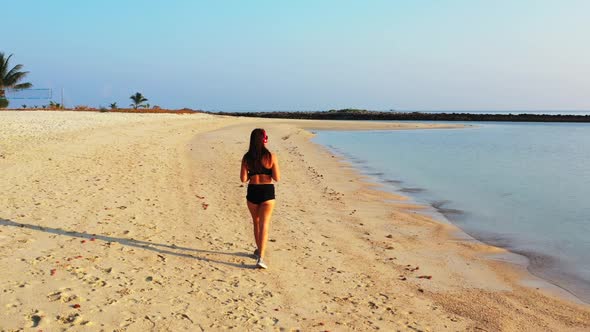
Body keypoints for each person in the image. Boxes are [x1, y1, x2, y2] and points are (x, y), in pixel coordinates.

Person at [240, 128, 280, 269]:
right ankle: (261, 257)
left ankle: (258, 251)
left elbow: (243, 179)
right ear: (264, 139)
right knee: (265, 224)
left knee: (256, 223)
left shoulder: (247, 157)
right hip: (267, 192)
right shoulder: (271, 156)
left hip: (253, 191)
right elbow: (277, 178)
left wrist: (252, 171)